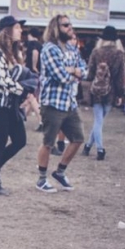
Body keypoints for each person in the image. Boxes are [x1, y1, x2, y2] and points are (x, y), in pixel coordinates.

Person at [36, 15, 85, 192]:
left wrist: (74, 70)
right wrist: (74, 72)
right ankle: (41, 179)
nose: (70, 27)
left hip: (69, 103)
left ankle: (60, 172)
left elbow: (85, 70)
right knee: (48, 142)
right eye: (65, 25)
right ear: (56, 28)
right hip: (52, 103)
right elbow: (61, 76)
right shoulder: (50, 49)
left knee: (78, 138)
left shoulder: (72, 48)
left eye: (70, 24)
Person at [0, 15, 27, 194]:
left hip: (10, 104)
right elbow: (3, 80)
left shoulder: (14, 53)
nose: (21, 30)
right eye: (17, 27)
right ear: (7, 30)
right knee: (0, 141)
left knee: (20, 141)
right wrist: (24, 90)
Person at [82, 26, 125, 160]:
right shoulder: (119, 54)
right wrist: (121, 93)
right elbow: (120, 76)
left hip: (96, 90)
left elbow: (90, 73)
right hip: (110, 91)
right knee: (99, 121)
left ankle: (88, 146)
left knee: (98, 120)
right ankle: (100, 149)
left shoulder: (96, 52)